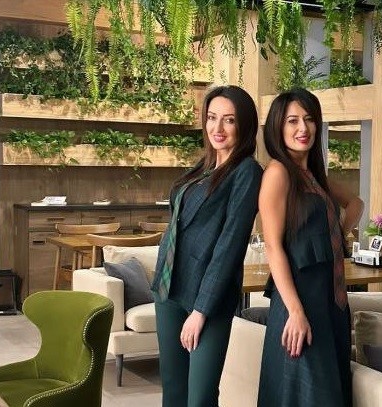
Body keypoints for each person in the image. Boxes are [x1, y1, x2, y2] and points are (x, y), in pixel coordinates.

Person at [151, 85, 263, 407]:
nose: (218, 127)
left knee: (200, 398)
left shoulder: (247, 172)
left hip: (208, 298)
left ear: (244, 125)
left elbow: (230, 245)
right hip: (169, 288)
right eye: (212, 117)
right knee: (173, 390)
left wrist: (201, 311)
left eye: (229, 120)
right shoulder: (203, 166)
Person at [257, 88, 364, 407]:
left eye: (309, 119)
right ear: (278, 127)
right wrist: (295, 311)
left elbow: (356, 204)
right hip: (300, 303)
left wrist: (338, 234)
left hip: (331, 305)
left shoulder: (314, 176)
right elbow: (273, 247)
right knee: (308, 395)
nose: (303, 128)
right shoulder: (278, 173)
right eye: (292, 121)